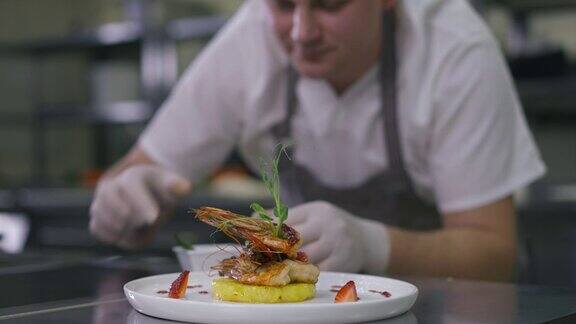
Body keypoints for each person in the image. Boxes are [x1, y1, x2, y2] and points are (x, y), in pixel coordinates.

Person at [89, 0, 546, 281]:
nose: (302, 33)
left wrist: (373, 245)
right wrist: (124, 200)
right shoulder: (250, 41)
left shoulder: (452, 52)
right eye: (284, 4)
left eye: (330, 4)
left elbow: (495, 254)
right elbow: (137, 171)